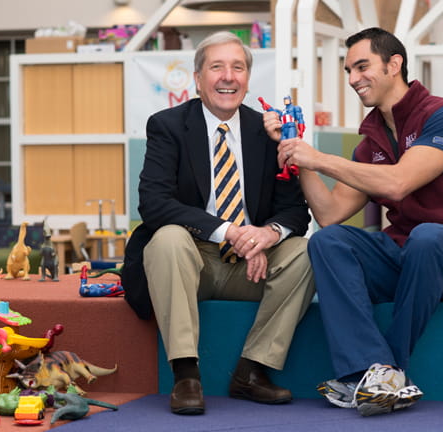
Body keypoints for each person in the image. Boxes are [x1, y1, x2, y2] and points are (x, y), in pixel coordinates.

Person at [263, 27, 443, 417]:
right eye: (348, 71)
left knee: (428, 237)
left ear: (395, 64)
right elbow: (328, 214)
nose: (353, 79)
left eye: (362, 67)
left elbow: (399, 182)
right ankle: (368, 371)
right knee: (328, 241)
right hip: (409, 253)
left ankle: (389, 370)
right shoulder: (371, 141)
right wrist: (297, 155)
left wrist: (319, 158)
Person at [122, 31, 315, 416]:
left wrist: (265, 235)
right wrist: (231, 231)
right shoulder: (168, 126)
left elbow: (295, 211)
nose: (228, 76)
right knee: (167, 237)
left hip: (252, 266)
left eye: (238, 67)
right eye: (217, 67)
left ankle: (252, 370)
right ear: (197, 78)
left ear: (248, 78)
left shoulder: (267, 131)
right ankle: (186, 375)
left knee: (308, 251)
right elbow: (154, 203)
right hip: (190, 261)